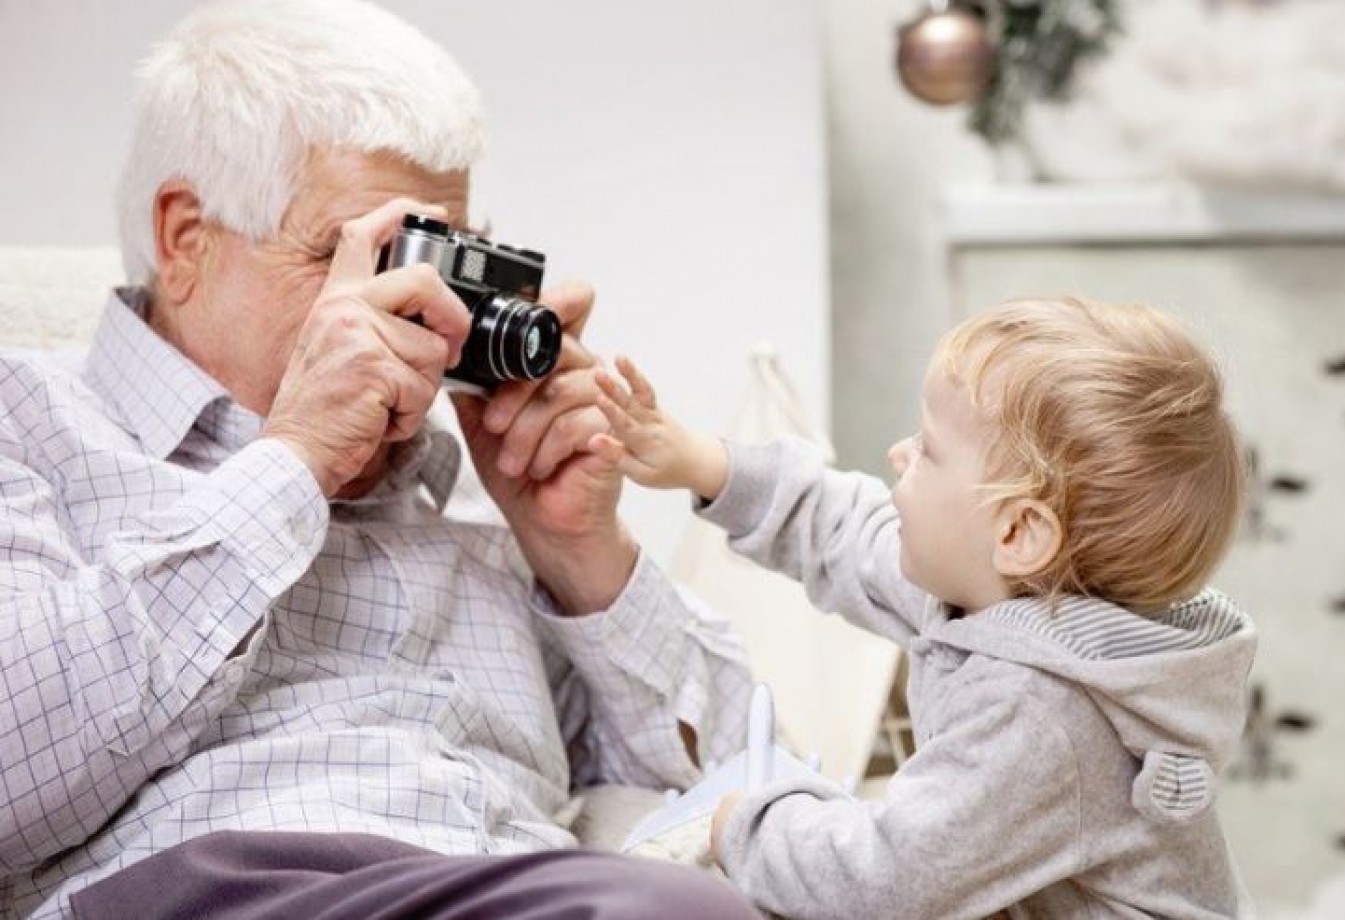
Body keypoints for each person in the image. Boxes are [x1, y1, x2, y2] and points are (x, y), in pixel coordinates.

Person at [0, 2, 760, 918]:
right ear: (186, 238)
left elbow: (764, 801)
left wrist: (583, 559)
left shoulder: (476, 506)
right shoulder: (31, 422)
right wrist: (294, 462)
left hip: (515, 884)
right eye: (348, 253)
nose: (413, 311)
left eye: (438, 260)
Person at [588, 297, 1259, 918]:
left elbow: (882, 881)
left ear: (1018, 533)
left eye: (929, 450)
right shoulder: (990, 592)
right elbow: (847, 532)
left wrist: (748, 824)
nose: (899, 453)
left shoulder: (1041, 713)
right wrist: (704, 464)